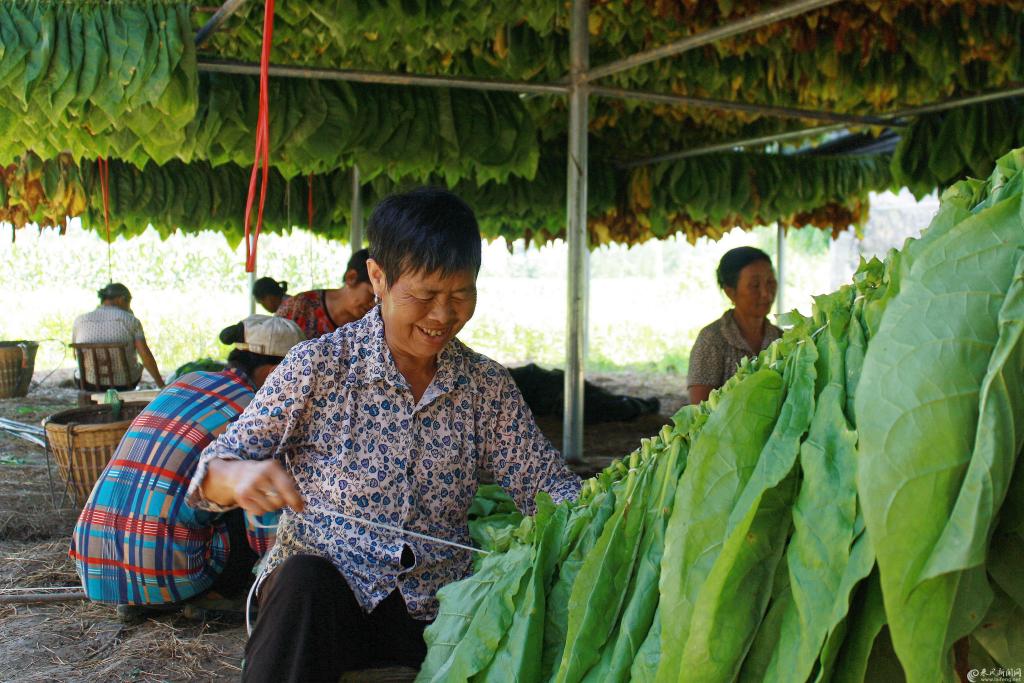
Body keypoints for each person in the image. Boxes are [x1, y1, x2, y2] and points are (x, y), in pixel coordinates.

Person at [186, 188, 581, 682]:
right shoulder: (319, 366)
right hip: (326, 601)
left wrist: (613, 508)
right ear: (378, 277)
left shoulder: (486, 386)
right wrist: (236, 476)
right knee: (303, 581)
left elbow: (546, 484)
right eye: (423, 296)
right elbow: (209, 476)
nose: (442, 316)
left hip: (432, 607)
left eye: (460, 294)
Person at [69, 316, 306, 610]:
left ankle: (137, 598)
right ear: (274, 372)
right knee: (251, 491)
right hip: (169, 575)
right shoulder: (259, 414)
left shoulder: (187, 382)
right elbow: (265, 531)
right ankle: (216, 594)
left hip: (94, 563)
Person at [687, 246, 782, 405]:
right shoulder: (711, 340)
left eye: (770, 282)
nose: (766, 293)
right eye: (755, 285)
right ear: (730, 292)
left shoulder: (781, 339)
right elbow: (699, 410)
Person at [71, 282, 165, 389]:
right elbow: (145, 355)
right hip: (123, 384)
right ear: (121, 299)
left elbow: (75, 355)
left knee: (77, 372)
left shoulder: (80, 320)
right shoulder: (131, 320)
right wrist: (161, 384)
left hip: (88, 383)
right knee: (137, 367)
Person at [274, 248, 375, 339]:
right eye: (373, 295)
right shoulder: (301, 306)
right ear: (351, 277)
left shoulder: (371, 324)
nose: (375, 305)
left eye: (382, 299)